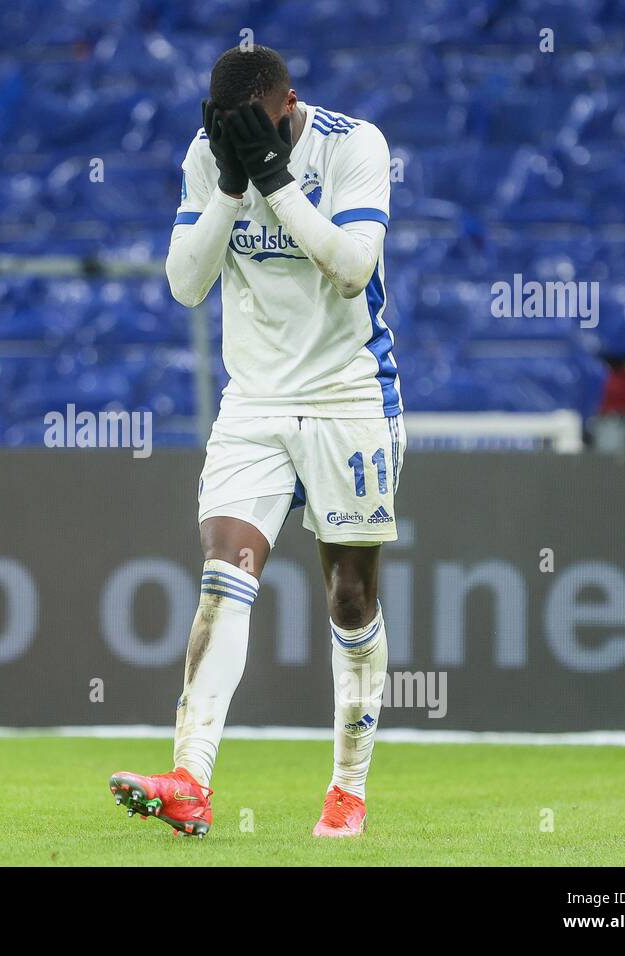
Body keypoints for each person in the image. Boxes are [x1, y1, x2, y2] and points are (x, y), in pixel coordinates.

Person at [108, 45, 403, 838]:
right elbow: (185, 283)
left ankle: (347, 789)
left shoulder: (354, 146)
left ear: (290, 104)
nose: (248, 141)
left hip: (347, 392)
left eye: (261, 130)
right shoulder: (210, 159)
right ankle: (190, 781)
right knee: (222, 578)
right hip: (255, 400)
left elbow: (350, 267)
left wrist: (274, 178)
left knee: (350, 595)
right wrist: (234, 186)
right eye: (233, 134)